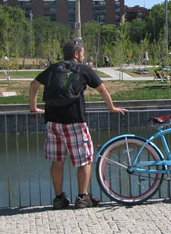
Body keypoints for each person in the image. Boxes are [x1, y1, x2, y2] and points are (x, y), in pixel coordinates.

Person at [29, 41, 127, 210]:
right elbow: (102, 89)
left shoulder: (53, 68)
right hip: (74, 121)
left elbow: (34, 85)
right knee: (85, 159)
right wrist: (112, 108)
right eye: (82, 53)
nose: (83, 56)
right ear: (76, 54)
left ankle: (59, 199)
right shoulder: (83, 69)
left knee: (57, 160)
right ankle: (82, 197)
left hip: (52, 121)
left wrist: (33, 108)